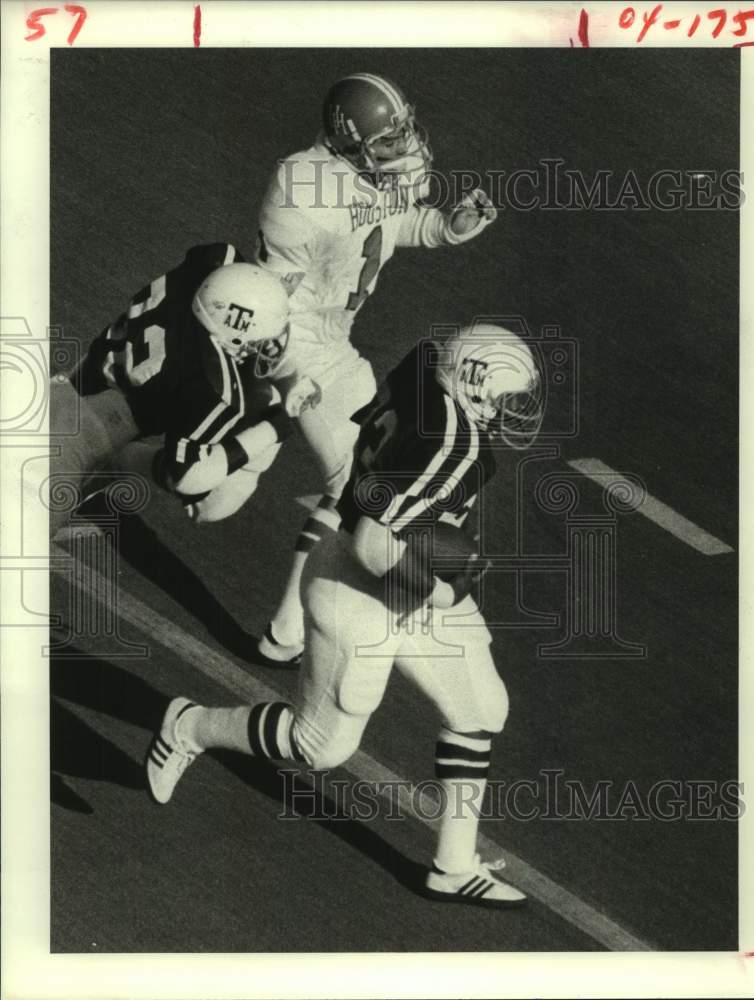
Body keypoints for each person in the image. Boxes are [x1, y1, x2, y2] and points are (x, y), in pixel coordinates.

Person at [146, 323, 544, 907]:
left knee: (480, 706)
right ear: (473, 384)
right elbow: (372, 544)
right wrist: (440, 591)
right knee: (319, 747)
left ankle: (453, 867)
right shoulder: (457, 447)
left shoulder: (426, 361)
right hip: (357, 584)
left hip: (396, 559)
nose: (513, 414)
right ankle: (189, 726)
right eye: (505, 399)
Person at [253, 72, 499, 664]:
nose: (404, 146)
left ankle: (287, 629)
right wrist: (288, 372)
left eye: (403, 130)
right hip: (296, 344)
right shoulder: (304, 184)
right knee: (341, 484)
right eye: (388, 139)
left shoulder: (365, 175)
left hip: (336, 342)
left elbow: (383, 226)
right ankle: (287, 632)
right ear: (348, 141)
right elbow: (270, 299)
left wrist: (443, 229)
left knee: (345, 479)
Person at [47, 245, 294, 537]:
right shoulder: (213, 386)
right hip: (65, 449)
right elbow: (190, 477)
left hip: (58, 392)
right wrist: (276, 427)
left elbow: (225, 272)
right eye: (259, 342)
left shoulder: (208, 268)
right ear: (235, 337)